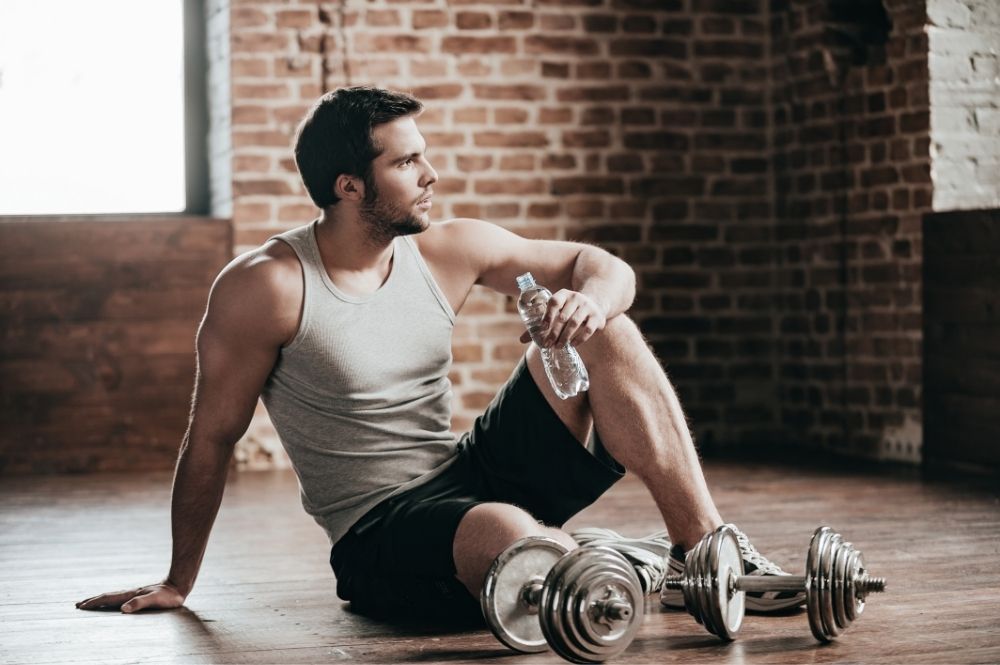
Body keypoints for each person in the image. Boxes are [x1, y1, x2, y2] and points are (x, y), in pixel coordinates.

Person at [76, 86, 803, 620]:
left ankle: (702, 551)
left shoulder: (449, 248)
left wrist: (590, 301)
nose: (432, 174)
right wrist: (179, 579)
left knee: (608, 328)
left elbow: (604, 265)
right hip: (379, 527)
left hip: (469, 468)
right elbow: (209, 438)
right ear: (350, 185)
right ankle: (589, 560)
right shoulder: (267, 287)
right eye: (408, 162)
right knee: (508, 535)